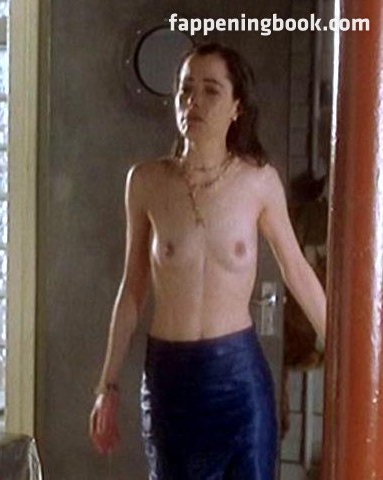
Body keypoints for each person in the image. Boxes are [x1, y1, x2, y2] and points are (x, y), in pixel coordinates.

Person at [88, 42, 326, 479]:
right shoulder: (146, 181)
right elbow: (132, 289)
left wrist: (349, 354)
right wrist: (108, 384)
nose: (193, 102)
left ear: (237, 106)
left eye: (211, 90)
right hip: (170, 378)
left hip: (238, 376)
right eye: (185, 90)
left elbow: (296, 270)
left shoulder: (258, 181)